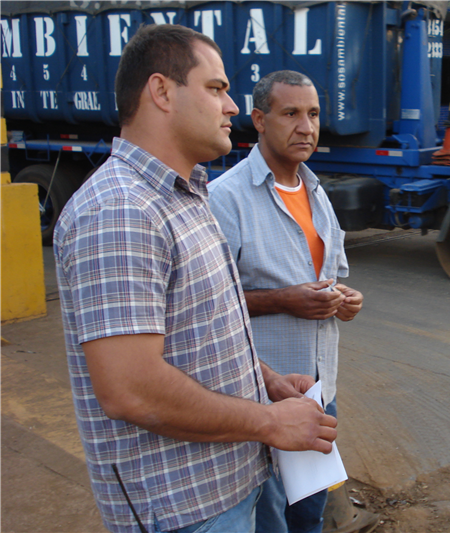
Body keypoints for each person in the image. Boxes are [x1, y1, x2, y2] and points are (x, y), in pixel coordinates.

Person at [53, 26, 337, 533]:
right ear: (161, 92)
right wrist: (269, 422)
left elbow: (207, 328)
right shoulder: (121, 210)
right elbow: (131, 390)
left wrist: (267, 382)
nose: (231, 106)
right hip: (185, 508)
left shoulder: (184, 195)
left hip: (229, 486)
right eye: (216, 88)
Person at [208, 71, 378, 533]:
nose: (306, 127)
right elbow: (206, 306)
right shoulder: (226, 198)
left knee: (308, 514)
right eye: (291, 114)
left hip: (321, 387)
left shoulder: (317, 192)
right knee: (269, 516)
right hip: (261, 392)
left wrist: (344, 299)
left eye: (314, 114)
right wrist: (284, 300)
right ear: (259, 120)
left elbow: (328, 279)